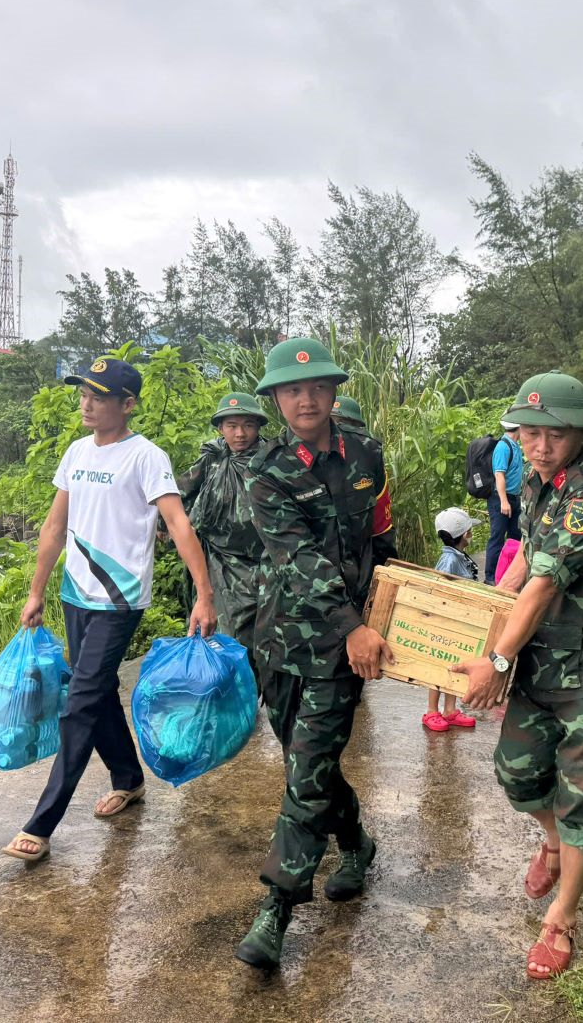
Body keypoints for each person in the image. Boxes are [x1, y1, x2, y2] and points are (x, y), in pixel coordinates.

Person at [451, 371, 583, 981]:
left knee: (582, 791)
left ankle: (562, 920)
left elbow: (543, 584)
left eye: (554, 434)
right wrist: (484, 611)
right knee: (516, 772)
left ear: (582, 433)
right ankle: (553, 840)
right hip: (551, 650)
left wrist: (498, 660)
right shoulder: (542, 484)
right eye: (529, 433)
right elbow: (522, 568)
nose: (539, 446)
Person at [3, 358, 218, 864]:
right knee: (92, 692)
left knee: (78, 702)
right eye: (84, 394)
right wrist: (36, 591)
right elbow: (55, 527)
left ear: (127, 404)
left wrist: (204, 594)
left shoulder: (146, 457)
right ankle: (128, 778)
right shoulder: (76, 452)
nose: (87, 403)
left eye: (99, 396)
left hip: (119, 601)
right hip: (75, 593)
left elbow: (179, 525)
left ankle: (42, 822)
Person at [234, 337, 397, 970]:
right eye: (293, 390)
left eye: (318, 387)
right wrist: (351, 622)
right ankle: (356, 842)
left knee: (305, 769)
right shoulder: (267, 471)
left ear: (333, 393)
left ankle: (276, 907)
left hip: (342, 650)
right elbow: (296, 558)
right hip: (280, 641)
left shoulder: (366, 455)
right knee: (311, 765)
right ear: (276, 398)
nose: (306, 398)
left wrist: (380, 617)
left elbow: (373, 541)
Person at [179, 391, 268, 659]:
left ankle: (249, 687)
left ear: (258, 427)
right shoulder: (212, 457)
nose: (240, 433)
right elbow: (181, 491)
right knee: (214, 628)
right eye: (232, 426)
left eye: (248, 425)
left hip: (257, 561)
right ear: (221, 428)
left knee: (252, 632)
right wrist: (162, 524)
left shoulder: (269, 460)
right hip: (215, 559)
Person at [424, 506, 481, 733]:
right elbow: (439, 589)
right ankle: (431, 710)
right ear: (465, 534)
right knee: (439, 667)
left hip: (458, 622)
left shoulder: (458, 557)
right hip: (445, 621)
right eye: (469, 530)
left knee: (454, 665)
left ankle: (449, 709)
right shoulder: (449, 561)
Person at [485, 418, 524, 585]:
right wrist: (503, 501)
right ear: (519, 427)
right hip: (501, 499)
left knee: (516, 536)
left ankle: (508, 575)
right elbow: (499, 474)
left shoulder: (515, 446)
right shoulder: (503, 446)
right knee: (497, 537)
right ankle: (491, 577)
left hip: (514, 499)